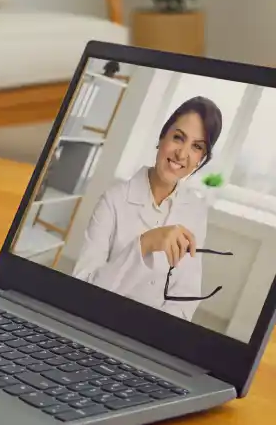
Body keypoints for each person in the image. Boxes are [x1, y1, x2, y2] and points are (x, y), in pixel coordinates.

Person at [73, 96, 223, 320]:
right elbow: (81, 291)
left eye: (196, 146)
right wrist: (144, 244)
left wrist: (157, 336)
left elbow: (185, 296)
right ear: (162, 137)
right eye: (178, 138)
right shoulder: (113, 200)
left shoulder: (196, 212)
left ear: (201, 159)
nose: (181, 154)